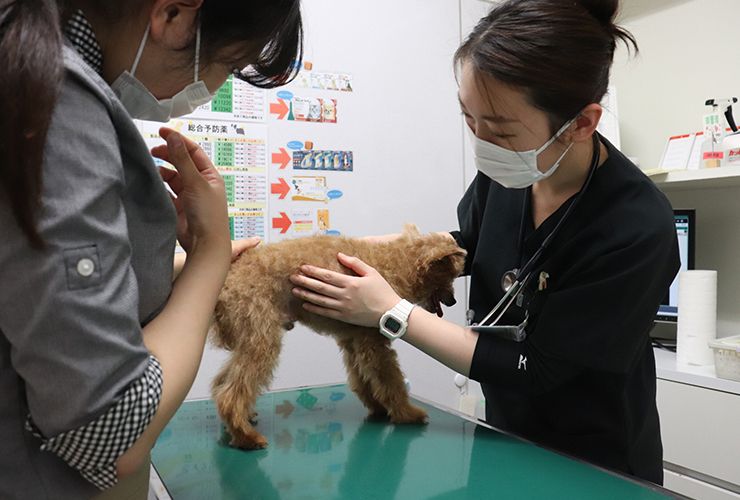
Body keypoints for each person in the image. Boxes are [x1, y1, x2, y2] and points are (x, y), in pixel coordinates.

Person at [289, 0, 679, 485]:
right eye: (470, 120)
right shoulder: (511, 171)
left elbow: (536, 368)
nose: (482, 143)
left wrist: (391, 313)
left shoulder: (636, 228)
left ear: (582, 123)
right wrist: (383, 250)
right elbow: (471, 242)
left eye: (500, 130)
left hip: (594, 464)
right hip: (505, 438)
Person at [0, 0, 302, 497]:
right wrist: (208, 257)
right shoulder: (54, 95)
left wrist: (174, 263)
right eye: (226, 65)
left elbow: (31, 285)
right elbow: (112, 436)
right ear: (173, 15)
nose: (215, 89)